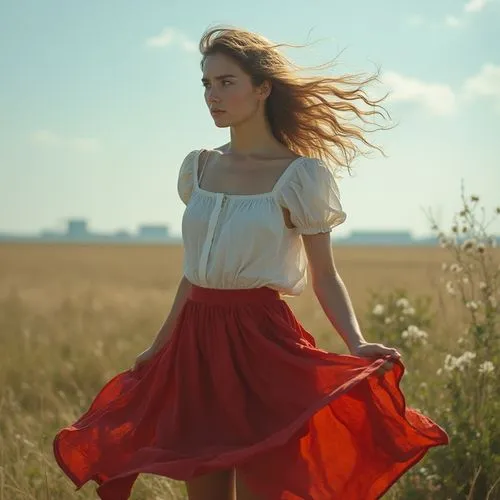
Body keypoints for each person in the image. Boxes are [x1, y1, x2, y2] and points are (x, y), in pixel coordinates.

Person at [53, 26, 449, 500]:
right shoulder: (197, 168)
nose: (212, 96)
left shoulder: (300, 176)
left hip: (262, 343)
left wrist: (357, 341)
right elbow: (195, 269)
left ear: (262, 89)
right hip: (195, 345)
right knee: (205, 488)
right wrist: (160, 345)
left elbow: (325, 273)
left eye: (226, 82)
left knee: (268, 487)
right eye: (206, 84)